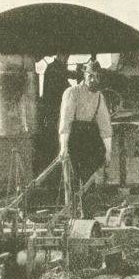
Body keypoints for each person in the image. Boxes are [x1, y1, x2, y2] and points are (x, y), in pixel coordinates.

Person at [58, 59, 113, 192]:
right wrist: (64, 147)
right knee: (73, 180)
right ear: (84, 75)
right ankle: (72, 208)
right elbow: (66, 121)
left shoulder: (99, 97)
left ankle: (86, 209)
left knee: (89, 179)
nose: (93, 80)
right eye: (90, 76)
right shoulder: (72, 93)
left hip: (89, 140)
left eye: (97, 77)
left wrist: (108, 152)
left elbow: (105, 127)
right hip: (73, 139)